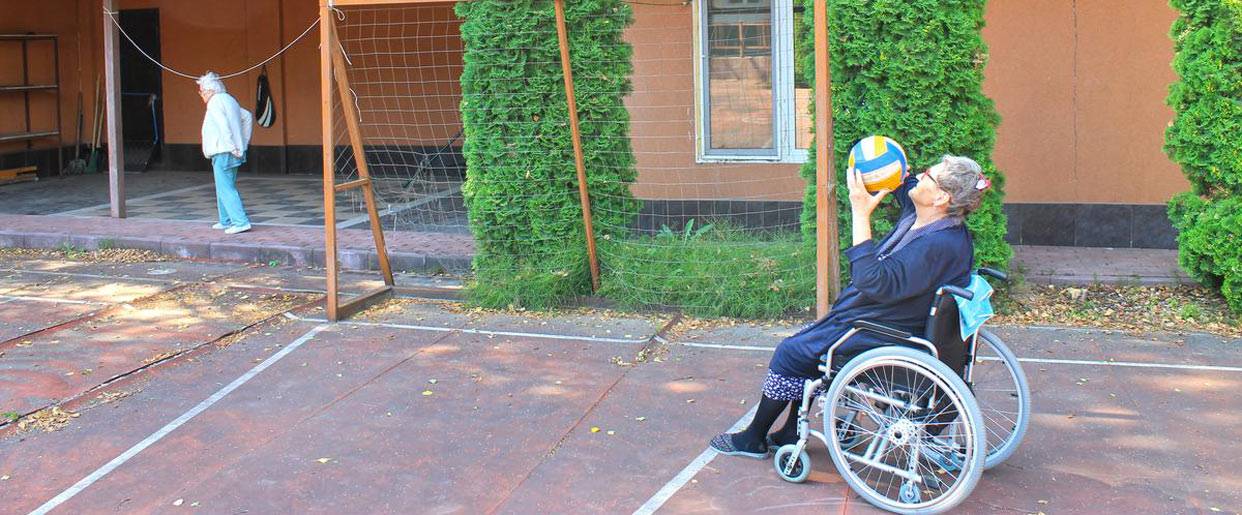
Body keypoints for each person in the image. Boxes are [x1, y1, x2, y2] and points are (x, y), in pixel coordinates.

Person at [709, 153, 992, 458]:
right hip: (889, 318)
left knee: (790, 352)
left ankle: (753, 438)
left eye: (927, 176)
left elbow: (873, 281)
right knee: (808, 344)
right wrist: (892, 166)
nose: (920, 177)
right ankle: (789, 430)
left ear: (941, 197)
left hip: (884, 329)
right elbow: (904, 185)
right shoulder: (932, 218)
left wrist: (860, 213)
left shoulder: (937, 245)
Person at [197, 72, 254, 235]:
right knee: (224, 186)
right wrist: (243, 143)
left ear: (209, 90)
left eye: (201, 91)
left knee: (225, 188)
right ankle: (225, 220)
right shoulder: (229, 99)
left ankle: (240, 222)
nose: (201, 95)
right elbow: (247, 117)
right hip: (232, 151)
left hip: (223, 151)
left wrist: (231, 145)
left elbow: (223, 125)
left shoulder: (214, 102)